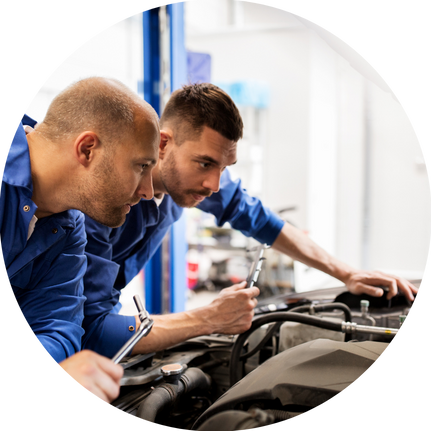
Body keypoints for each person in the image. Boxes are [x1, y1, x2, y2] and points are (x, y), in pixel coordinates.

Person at [80, 83, 420, 359]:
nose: (214, 184)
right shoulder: (100, 205)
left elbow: (264, 222)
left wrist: (346, 273)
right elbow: (92, 330)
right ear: (164, 144)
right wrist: (208, 317)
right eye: (205, 163)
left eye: (224, 168)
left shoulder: (192, 183)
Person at [1, 77, 160, 404]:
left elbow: (58, 329)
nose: (148, 191)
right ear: (87, 149)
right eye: (141, 166)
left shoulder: (69, 229)